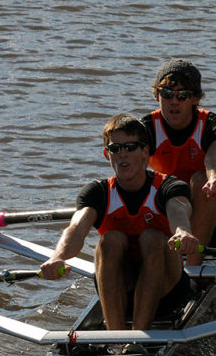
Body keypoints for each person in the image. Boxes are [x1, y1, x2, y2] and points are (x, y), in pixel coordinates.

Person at [40, 113, 200, 335]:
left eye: (131, 147)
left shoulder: (169, 187)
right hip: (121, 289)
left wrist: (182, 232)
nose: (123, 154)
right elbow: (76, 229)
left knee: (152, 238)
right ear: (107, 154)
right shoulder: (97, 192)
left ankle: (137, 339)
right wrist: (57, 257)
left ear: (145, 152)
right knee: (110, 240)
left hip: (167, 291)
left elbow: (179, 210)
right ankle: (116, 339)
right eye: (115, 148)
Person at [141, 58, 216, 266]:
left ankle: (192, 269)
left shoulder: (214, 126)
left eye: (182, 95)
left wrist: (215, 179)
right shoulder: (145, 129)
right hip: (171, 209)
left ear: (196, 99)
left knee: (202, 180)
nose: (174, 101)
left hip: (209, 207)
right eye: (166, 94)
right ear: (156, 96)